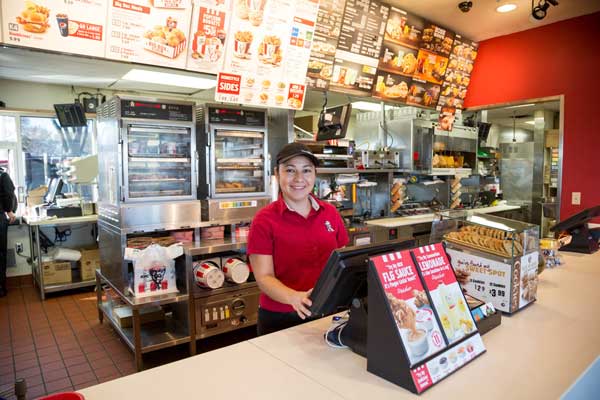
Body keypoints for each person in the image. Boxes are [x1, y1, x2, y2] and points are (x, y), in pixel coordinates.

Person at [247, 143, 349, 335]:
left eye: (306, 170)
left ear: (315, 175)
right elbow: (263, 277)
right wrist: (294, 297)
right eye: (290, 170)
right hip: (281, 317)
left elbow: (344, 263)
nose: (299, 179)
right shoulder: (264, 220)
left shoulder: (331, 213)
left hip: (327, 313)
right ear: (277, 174)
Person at [0, 169, 17, 297]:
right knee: (0, 253)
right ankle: (1, 288)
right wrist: (9, 210)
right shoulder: (3, 175)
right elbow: (8, 194)